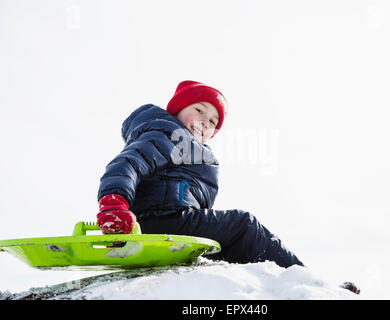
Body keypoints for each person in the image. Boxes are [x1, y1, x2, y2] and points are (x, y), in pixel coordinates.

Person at [96, 80, 359, 293]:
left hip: (170, 221)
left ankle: (283, 282)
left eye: (212, 122)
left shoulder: (192, 151)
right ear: (176, 110)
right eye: (198, 110)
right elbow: (127, 163)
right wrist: (113, 205)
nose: (204, 122)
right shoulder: (166, 133)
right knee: (244, 226)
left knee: (231, 239)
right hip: (160, 220)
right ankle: (309, 283)